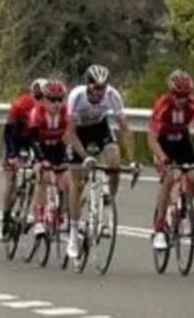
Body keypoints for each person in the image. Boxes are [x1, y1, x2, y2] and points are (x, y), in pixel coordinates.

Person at [65, 63, 131, 261]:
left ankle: (109, 203)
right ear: (89, 86)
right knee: (77, 184)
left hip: (100, 128)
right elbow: (70, 133)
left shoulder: (113, 95)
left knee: (114, 162)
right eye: (97, 88)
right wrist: (85, 156)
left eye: (104, 88)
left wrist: (132, 158)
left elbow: (124, 128)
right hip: (79, 134)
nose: (101, 93)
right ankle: (74, 235)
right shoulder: (77, 96)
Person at [149, 69, 194, 251]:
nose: (182, 100)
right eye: (178, 96)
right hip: (163, 143)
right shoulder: (163, 105)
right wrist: (162, 157)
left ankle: (183, 210)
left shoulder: (192, 103)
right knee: (170, 178)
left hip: (182, 140)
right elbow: (151, 137)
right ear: (171, 93)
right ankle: (159, 228)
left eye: (186, 95)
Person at [27, 79, 73, 240]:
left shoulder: (66, 113)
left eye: (60, 99)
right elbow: (32, 140)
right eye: (52, 100)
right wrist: (41, 160)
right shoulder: (36, 113)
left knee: (67, 182)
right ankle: (38, 217)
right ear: (45, 99)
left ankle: (62, 216)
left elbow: (70, 136)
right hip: (40, 148)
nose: (56, 104)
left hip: (58, 148)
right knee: (44, 177)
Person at [1, 78, 43, 236]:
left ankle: (32, 211)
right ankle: (5, 218)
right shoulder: (21, 104)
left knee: (40, 171)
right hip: (16, 138)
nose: (41, 102)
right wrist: (12, 155)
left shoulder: (51, 109)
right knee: (11, 179)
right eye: (37, 98)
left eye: (43, 98)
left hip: (34, 139)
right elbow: (9, 133)